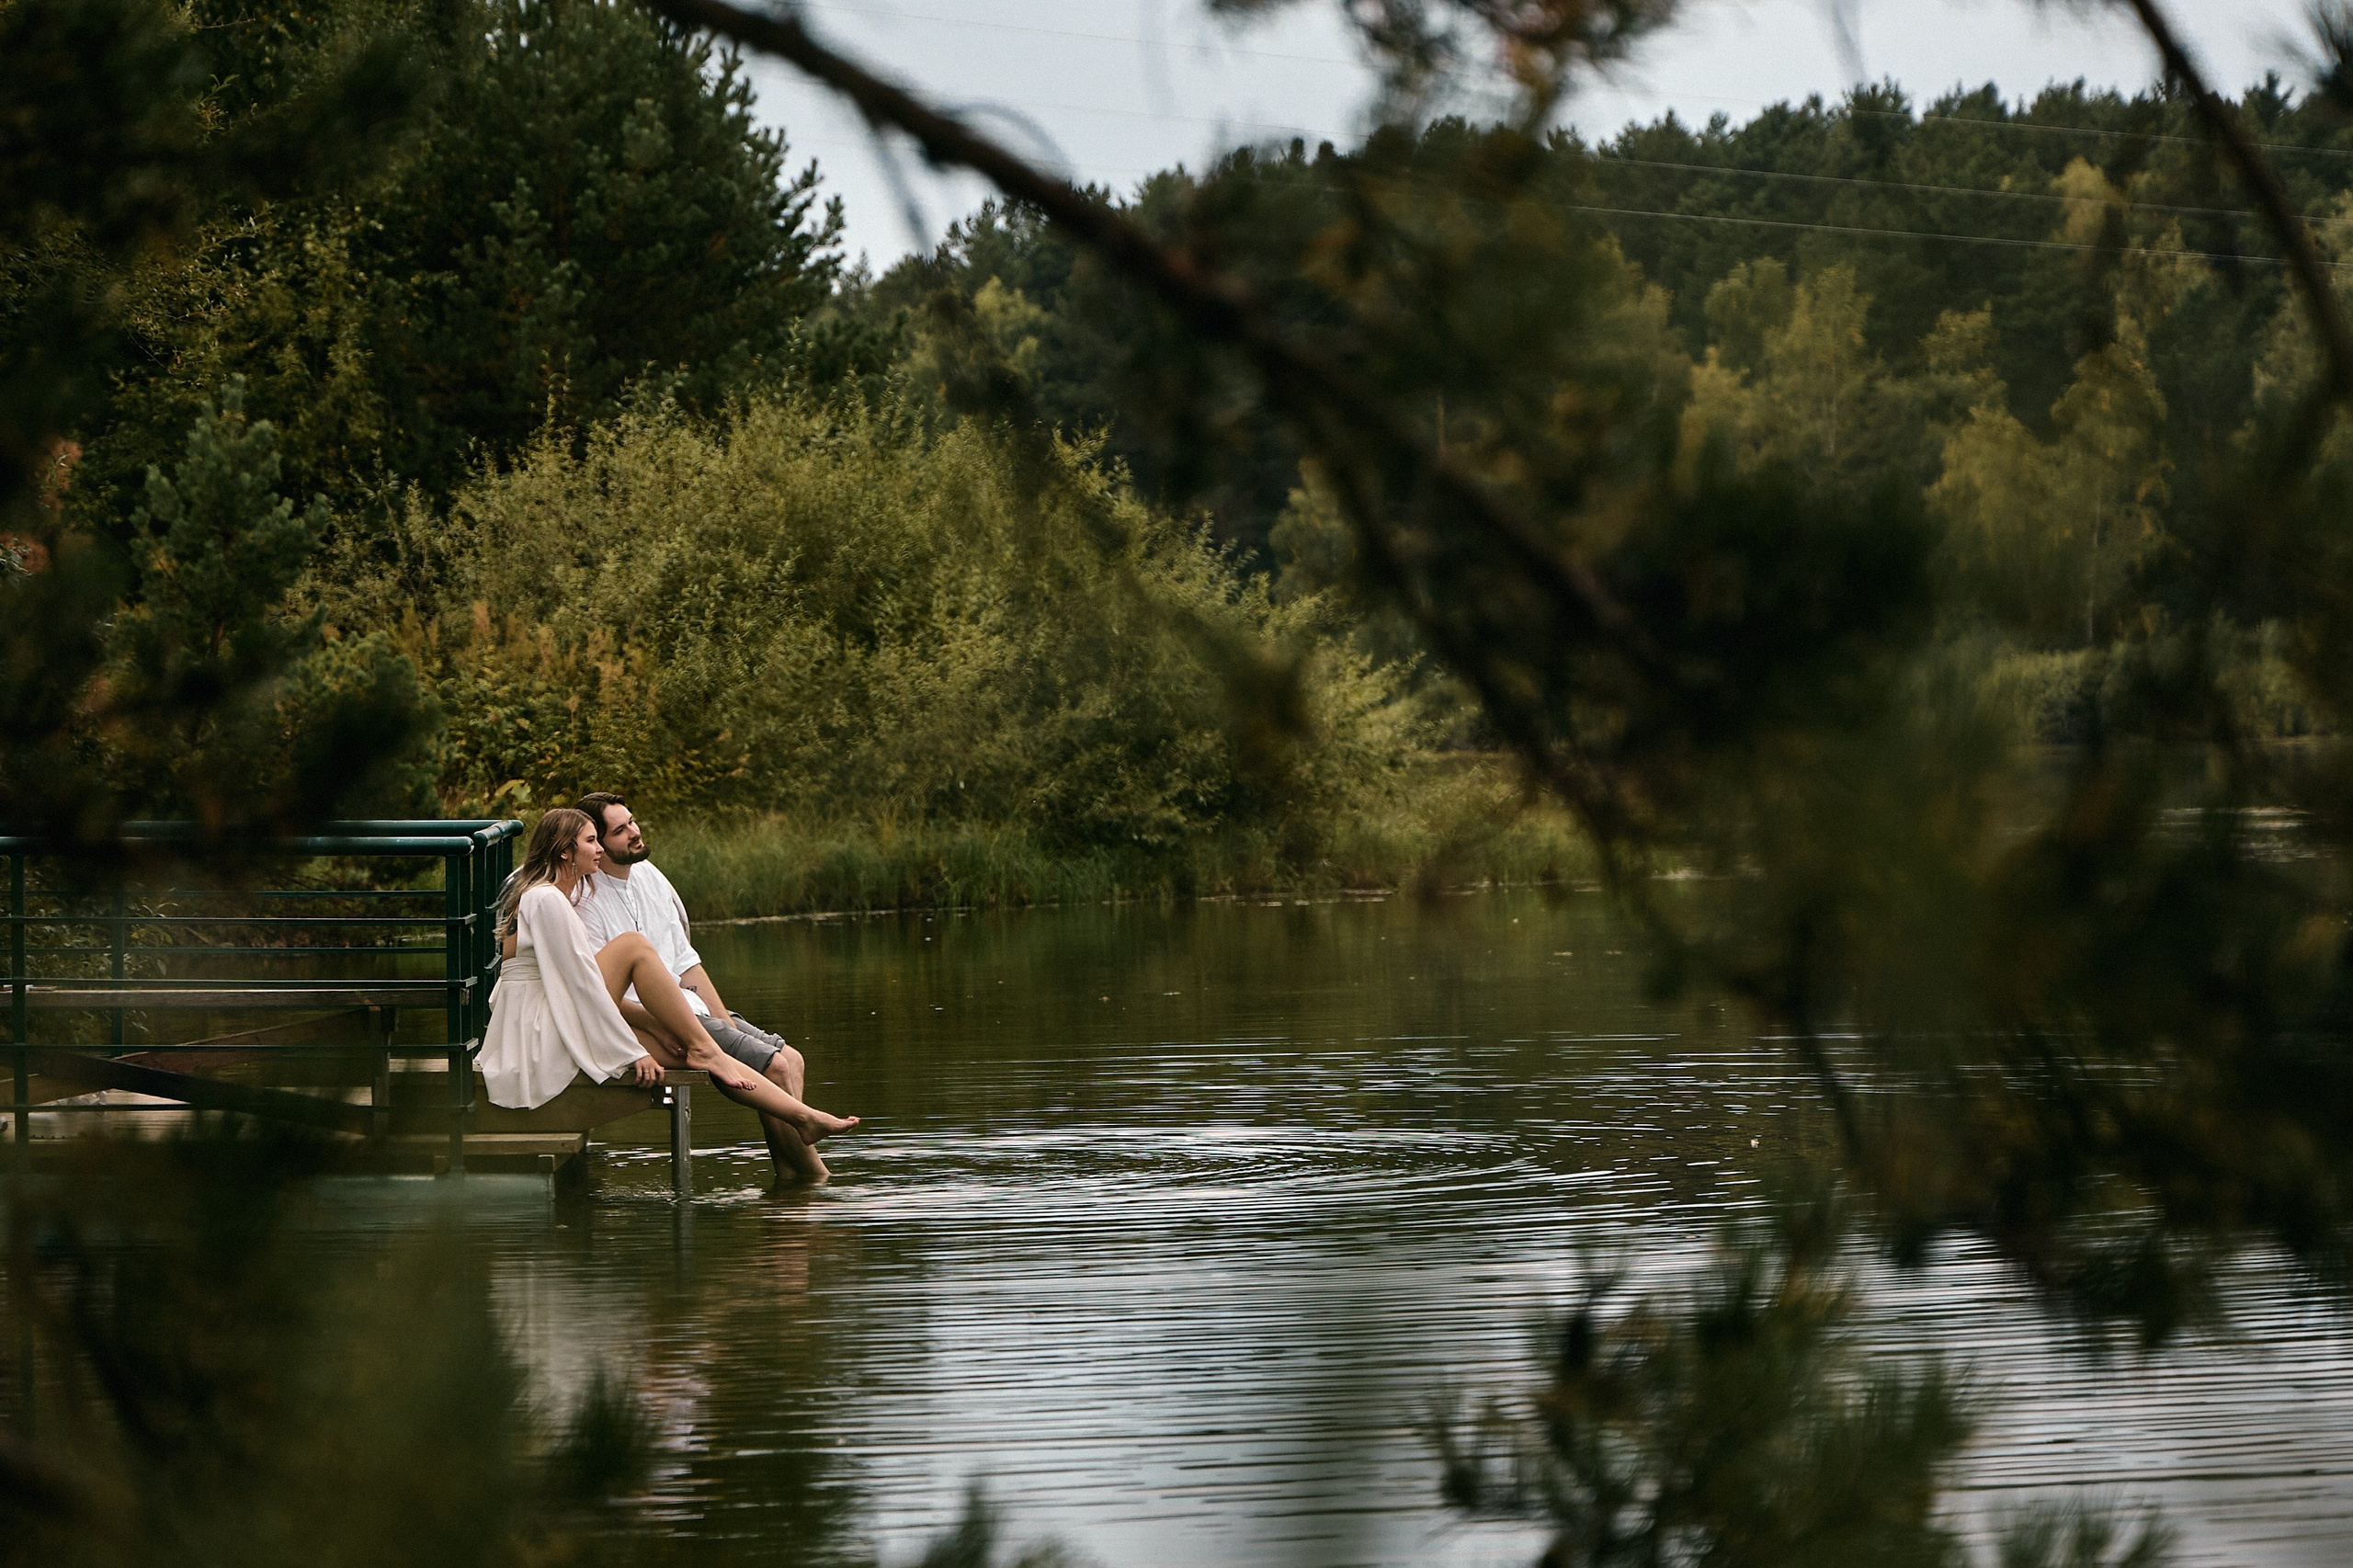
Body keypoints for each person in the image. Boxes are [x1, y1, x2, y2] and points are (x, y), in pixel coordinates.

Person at [481, 809, 858, 1165]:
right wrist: (630, 1050)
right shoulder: (547, 899)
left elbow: (574, 986)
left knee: (690, 1055)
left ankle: (802, 1117)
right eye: (591, 841)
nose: (598, 850)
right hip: (544, 1035)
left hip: (554, 1020)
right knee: (634, 946)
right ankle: (718, 1058)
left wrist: (645, 1036)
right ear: (566, 852)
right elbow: (581, 987)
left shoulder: (550, 897)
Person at [571, 790, 835, 1183]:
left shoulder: (649, 876)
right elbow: (596, 988)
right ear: (600, 844)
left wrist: (723, 1019)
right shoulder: (584, 898)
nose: (635, 832)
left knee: (792, 1060)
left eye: (633, 822)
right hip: (653, 1021)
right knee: (777, 1068)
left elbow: (684, 961)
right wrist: (666, 1026)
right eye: (620, 830)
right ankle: (816, 1182)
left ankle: (791, 1180)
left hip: (689, 1008)